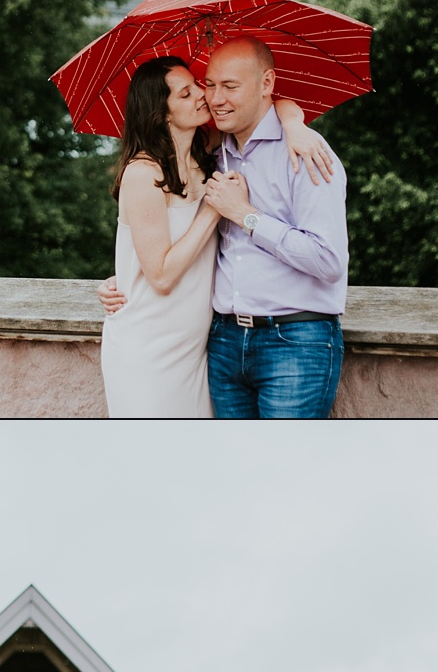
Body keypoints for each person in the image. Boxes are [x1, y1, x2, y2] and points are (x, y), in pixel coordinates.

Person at [99, 53, 335, 423]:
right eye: (186, 93)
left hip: (198, 349)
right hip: (149, 344)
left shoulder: (207, 149)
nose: (204, 97)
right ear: (160, 112)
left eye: (200, 86)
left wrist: (294, 124)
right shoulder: (142, 173)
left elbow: (266, 105)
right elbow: (159, 275)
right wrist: (216, 209)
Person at [200, 35, 349, 420]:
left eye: (230, 86)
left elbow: (328, 259)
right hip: (223, 341)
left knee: (286, 471)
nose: (216, 99)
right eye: (210, 85)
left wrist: (247, 216)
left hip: (296, 342)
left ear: (267, 84)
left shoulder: (307, 153)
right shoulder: (214, 153)